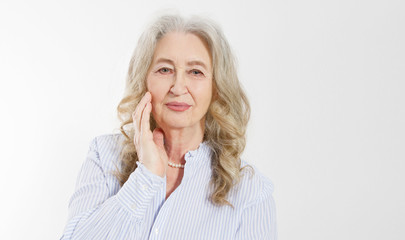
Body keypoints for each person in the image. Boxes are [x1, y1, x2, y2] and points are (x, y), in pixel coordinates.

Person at [61, 13, 277, 239]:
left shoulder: (252, 192)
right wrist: (146, 175)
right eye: (165, 70)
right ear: (144, 80)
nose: (178, 87)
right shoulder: (104, 155)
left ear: (216, 88)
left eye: (196, 72)